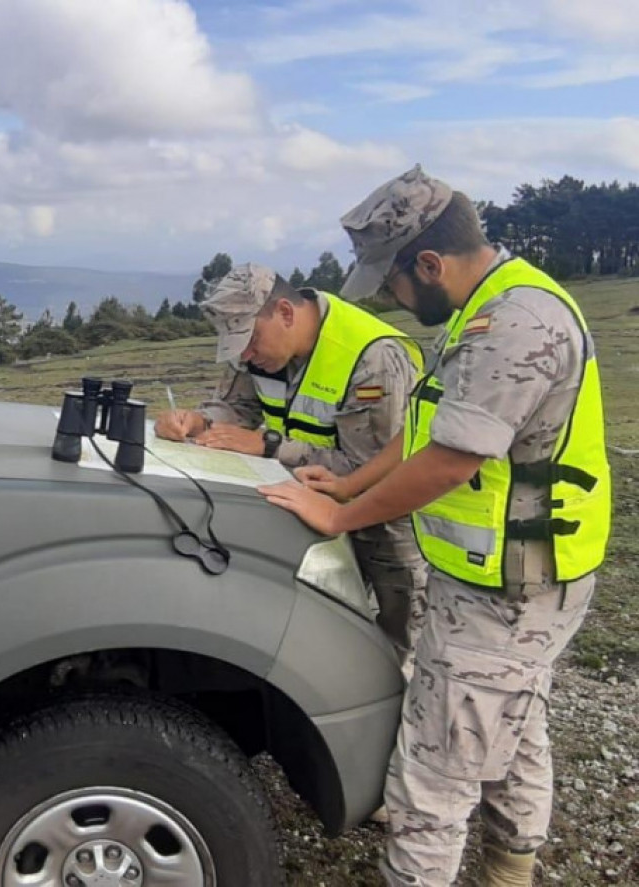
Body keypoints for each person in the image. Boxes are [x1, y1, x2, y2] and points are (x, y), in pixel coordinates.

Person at [259, 165, 611, 887]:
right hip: (496, 576)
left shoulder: (514, 324)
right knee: (512, 728)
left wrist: (342, 514)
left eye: (391, 282)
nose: (389, 298)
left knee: (433, 774)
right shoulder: (480, 311)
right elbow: (430, 429)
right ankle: (508, 872)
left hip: (512, 586)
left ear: (428, 263)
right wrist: (351, 480)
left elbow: (451, 460)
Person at [155, 263, 428, 670]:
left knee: (399, 649)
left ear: (285, 312)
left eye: (249, 341)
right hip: (308, 513)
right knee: (324, 640)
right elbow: (237, 408)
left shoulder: (373, 358)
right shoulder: (257, 353)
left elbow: (369, 468)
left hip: (388, 525)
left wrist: (268, 447)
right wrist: (198, 421)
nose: (244, 355)